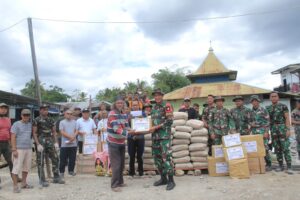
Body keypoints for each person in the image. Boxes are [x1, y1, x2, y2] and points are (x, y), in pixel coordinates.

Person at [107, 96, 135, 192]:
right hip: (113, 142)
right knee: (116, 164)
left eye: (121, 103)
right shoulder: (112, 114)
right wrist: (129, 133)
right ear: (115, 104)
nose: (120, 104)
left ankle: (120, 182)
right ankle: (114, 185)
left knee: (122, 164)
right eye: (118, 103)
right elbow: (116, 128)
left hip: (121, 142)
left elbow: (126, 126)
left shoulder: (124, 114)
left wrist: (134, 130)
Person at [149, 88, 175, 191]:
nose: (157, 97)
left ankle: (171, 181)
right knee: (157, 159)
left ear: (162, 96)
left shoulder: (167, 106)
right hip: (155, 138)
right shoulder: (154, 108)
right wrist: (148, 128)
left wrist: (156, 127)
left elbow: (170, 121)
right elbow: (152, 122)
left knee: (166, 159)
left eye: (159, 95)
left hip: (164, 137)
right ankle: (163, 178)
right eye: (155, 95)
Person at [33, 104, 65, 187]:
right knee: (40, 161)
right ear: (40, 110)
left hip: (50, 140)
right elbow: (34, 133)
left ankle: (56, 177)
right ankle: (42, 180)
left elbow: (54, 132)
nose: (45, 111)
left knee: (55, 158)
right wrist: (37, 144)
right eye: (43, 109)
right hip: (41, 140)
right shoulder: (36, 120)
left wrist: (56, 142)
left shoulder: (50, 119)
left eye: (46, 109)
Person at [266, 92, 293, 174]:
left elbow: (287, 118)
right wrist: (267, 131)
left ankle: (289, 167)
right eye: (272, 97)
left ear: (278, 98)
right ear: (270, 98)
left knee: (285, 148)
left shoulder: (283, 106)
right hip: (273, 129)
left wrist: (288, 129)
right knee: (277, 148)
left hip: (282, 128)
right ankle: (280, 165)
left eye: (275, 96)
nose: (273, 98)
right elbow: (268, 121)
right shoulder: (268, 108)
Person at [10, 109, 34, 193]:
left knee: (26, 167)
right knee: (16, 168)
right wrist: (14, 149)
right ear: (21, 115)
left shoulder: (30, 125)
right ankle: (15, 186)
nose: (26, 116)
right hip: (19, 149)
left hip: (28, 148)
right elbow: (13, 136)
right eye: (24, 115)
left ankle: (24, 183)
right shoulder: (16, 124)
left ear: (29, 116)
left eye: (28, 115)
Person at [250, 95, 272, 171]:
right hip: (254, 132)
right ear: (251, 102)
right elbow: (250, 122)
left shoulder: (263, 110)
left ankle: (269, 164)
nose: (254, 102)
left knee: (265, 148)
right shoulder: (251, 111)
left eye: (256, 101)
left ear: (258, 101)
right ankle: (260, 164)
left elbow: (268, 122)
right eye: (253, 101)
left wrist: (266, 132)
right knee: (256, 148)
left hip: (262, 132)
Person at [127, 100, 146, 177]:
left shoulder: (143, 113)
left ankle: (141, 172)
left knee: (140, 155)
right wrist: (129, 119)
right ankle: (131, 172)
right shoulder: (128, 114)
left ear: (139, 106)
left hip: (140, 136)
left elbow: (146, 124)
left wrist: (142, 118)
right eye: (134, 105)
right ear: (131, 107)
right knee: (131, 155)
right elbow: (125, 126)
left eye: (136, 105)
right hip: (131, 137)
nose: (135, 107)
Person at [0, 103, 15, 189]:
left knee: (11, 161)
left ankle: (15, 179)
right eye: (2, 108)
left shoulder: (8, 119)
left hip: (6, 143)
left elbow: (10, 132)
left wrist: (12, 144)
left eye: (5, 108)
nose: (3, 110)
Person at [59, 109, 77, 177]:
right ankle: (61, 172)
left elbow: (76, 130)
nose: (69, 115)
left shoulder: (75, 122)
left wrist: (73, 137)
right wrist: (70, 137)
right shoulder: (62, 122)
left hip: (73, 144)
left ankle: (71, 171)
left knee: (72, 159)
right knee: (63, 159)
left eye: (70, 114)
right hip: (64, 144)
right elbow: (62, 132)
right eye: (68, 113)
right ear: (65, 114)